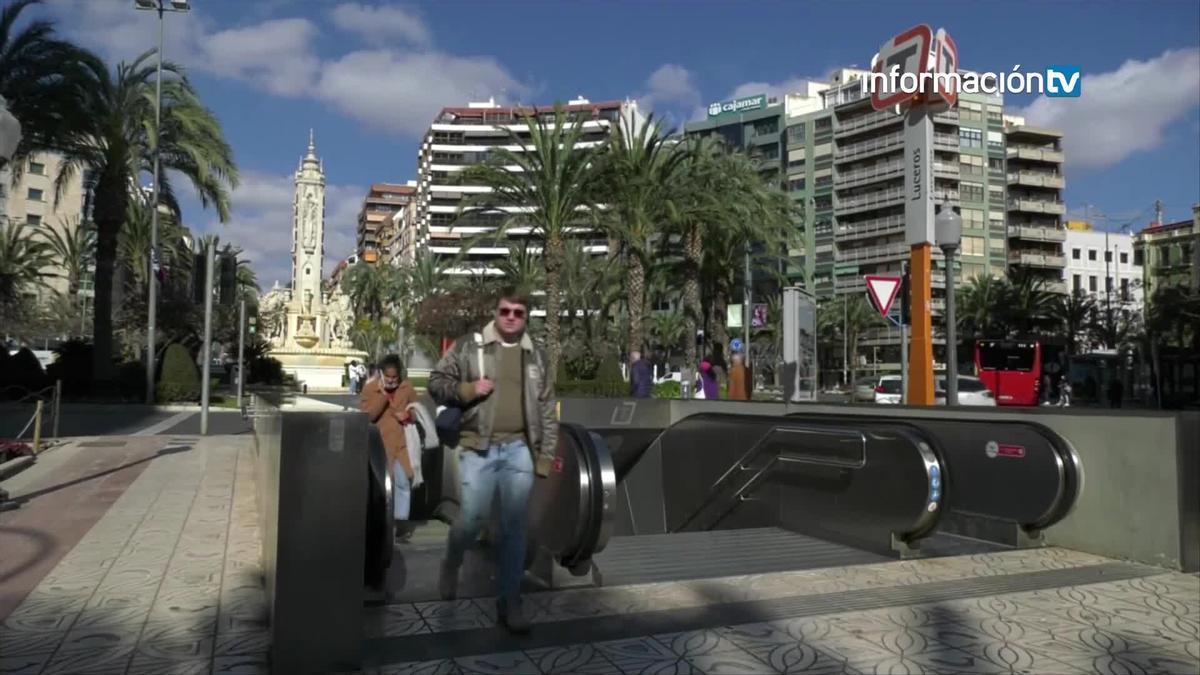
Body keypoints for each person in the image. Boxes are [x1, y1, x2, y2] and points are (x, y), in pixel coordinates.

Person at [428, 288, 557, 634]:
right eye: (505, 311)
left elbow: (546, 408)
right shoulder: (471, 347)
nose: (511, 317)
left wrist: (544, 456)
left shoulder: (537, 357)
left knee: (515, 527)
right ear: (495, 313)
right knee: (472, 519)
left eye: (518, 312)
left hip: (519, 450)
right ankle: (451, 561)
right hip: (477, 447)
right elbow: (436, 382)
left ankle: (509, 602)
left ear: (526, 316)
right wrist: (468, 390)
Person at [360, 354, 420, 541]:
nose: (392, 381)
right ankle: (381, 525)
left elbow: (418, 410)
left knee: (403, 484)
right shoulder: (370, 389)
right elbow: (368, 416)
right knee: (381, 488)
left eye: (395, 377)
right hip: (380, 446)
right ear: (381, 374)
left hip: (402, 445)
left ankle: (401, 525)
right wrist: (384, 398)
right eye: (388, 377)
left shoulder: (407, 387)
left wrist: (408, 415)